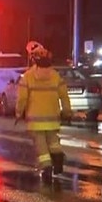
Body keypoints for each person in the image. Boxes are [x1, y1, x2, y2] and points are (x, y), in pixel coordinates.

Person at [15, 42, 72, 184]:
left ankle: (46, 168)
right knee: (53, 141)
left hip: (35, 120)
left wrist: (18, 113)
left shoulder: (27, 77)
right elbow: (64, 96)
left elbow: (22, 98)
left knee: (41, 146)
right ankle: (58, 157)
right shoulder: (56, 76)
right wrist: (67, 112)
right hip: (53, 118)